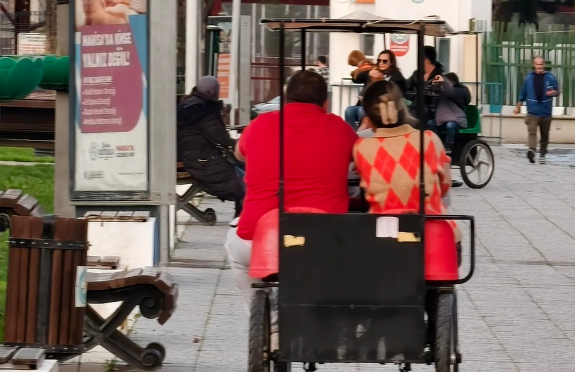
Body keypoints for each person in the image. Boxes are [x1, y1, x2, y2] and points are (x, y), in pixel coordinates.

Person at [224, 70, 357, 304]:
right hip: (324, 239)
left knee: (236, 252)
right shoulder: (341, 129)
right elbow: (359, 161)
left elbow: (239, 154)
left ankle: (268, 325)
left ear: (285, 99)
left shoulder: (259, 125)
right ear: (325, 102)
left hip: (261, 234)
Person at [353, 80, 451, 215]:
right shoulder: (429, 140)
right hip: (429, 227)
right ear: (402, 107)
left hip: (383, 228)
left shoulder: (362, 147)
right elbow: (445, 187)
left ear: (368, 117)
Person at [177, 76, 245, 216]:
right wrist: (240, 143)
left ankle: (240, 217)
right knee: (246, 181)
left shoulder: (187, 105)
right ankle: (241, 219)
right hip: (204, 161)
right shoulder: (204, 110)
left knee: (241, 170)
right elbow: (221, 138)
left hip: (193, 158)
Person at [514, 56, 559, 164]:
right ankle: (532, 150)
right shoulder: (529, 78)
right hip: (532, 111)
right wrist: (518, 106)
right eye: (537, 64)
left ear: (544, 65)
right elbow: (523, 93)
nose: (539, 66)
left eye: (541, 64)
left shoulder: (550, 77)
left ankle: (542, 154)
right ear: (534, 65)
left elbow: (557, 91)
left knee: (545, 134)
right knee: (532, 132)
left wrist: (553, 93)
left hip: (545, 111)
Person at [430, 72, 471, 152]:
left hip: (457, 120)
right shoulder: (443, 91)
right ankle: (437, 143)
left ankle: (448, 146)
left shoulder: (460, 91)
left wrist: (444, 81)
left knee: (450, 125)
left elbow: (451, 92)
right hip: (443, 120)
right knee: (430, 123)